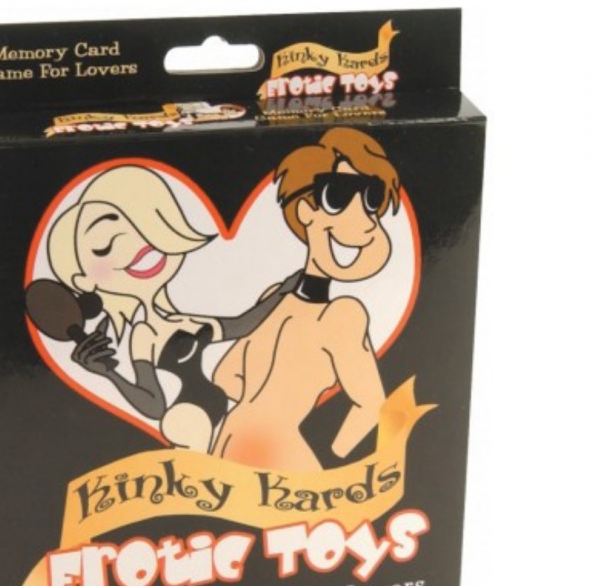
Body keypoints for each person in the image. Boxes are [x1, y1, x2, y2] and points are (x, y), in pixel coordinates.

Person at [46, 164, 294, 452]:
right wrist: (109, 374)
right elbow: (154, 405)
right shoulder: (144, 333)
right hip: (186, 420)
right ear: (83, 281)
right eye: (105, 247)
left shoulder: (181, 319)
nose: (135, 245)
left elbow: (242, 325)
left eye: (144, 226)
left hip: (221, 411)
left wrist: (284, 291)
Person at [212, 128, 400, 471]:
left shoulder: (338, 314)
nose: (362, 220)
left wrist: (332, 459)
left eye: (371, 199)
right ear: (304, 210)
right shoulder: (281, 298)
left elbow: (372, 404)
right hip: (253, 451)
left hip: (251, 447)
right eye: (337, 196)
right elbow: (226, 376)